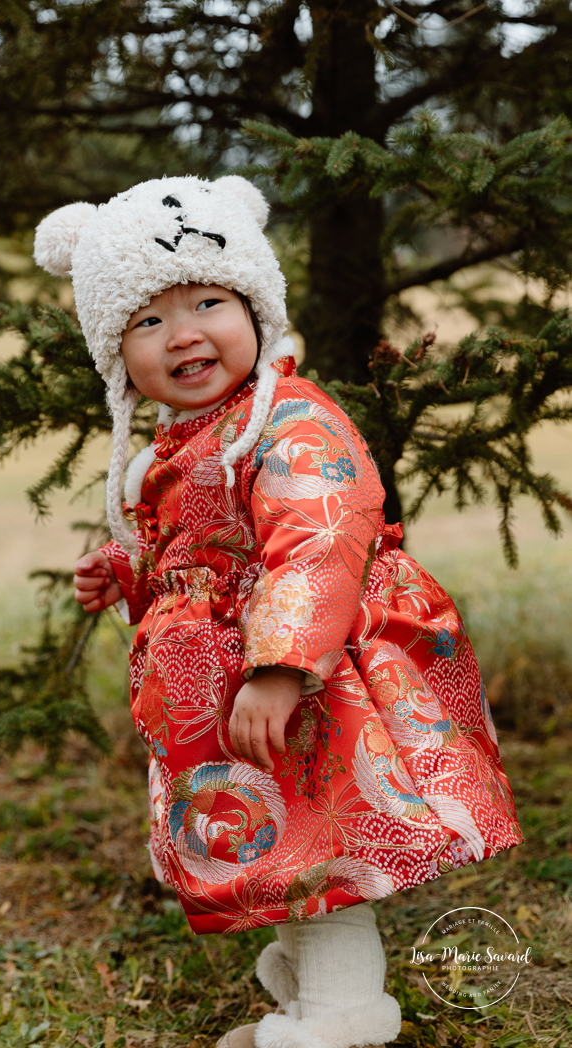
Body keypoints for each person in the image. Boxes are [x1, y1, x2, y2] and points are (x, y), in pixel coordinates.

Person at [33, 175, 523, 1048]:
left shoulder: (289, 420)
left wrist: (281, 663)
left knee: (324, 836)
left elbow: (318, 536)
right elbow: (200, 555)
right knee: (286, 836)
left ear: (257, 307)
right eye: (147, 321)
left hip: (314, 677)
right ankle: (306, 983)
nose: (182, 334)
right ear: (117, 355)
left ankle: (343, 1014)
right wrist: (127, 569)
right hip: (240, 686)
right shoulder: (185, 439)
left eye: (209, 301)